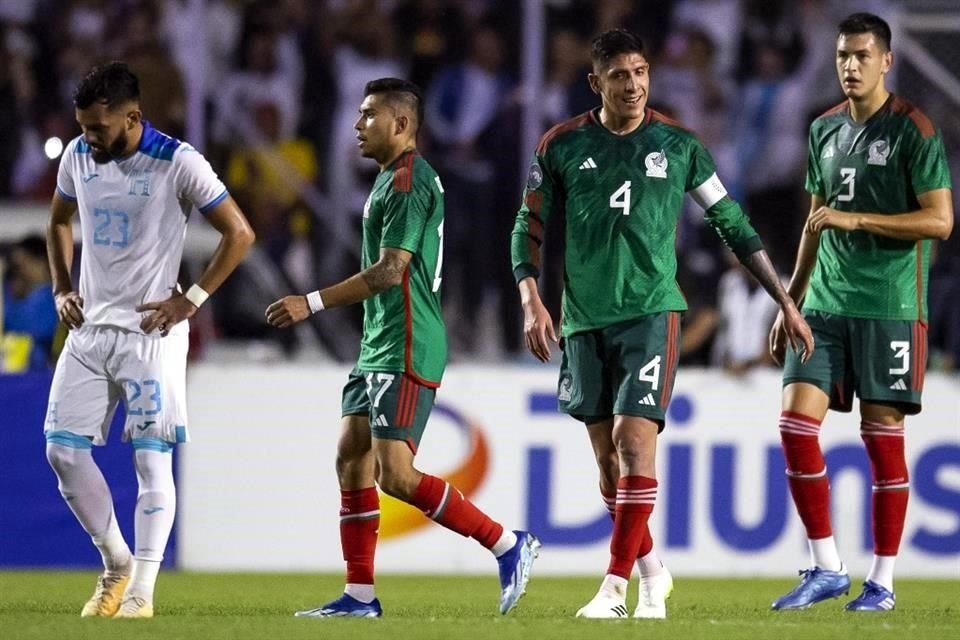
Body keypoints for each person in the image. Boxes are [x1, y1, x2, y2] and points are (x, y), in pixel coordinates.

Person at [510, 29, 814, 620]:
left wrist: (786, 300)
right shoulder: (561, 145)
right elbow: (528, 225)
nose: (634, 85)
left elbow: (731, 222)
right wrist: (530, 297)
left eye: (642, 72)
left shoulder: (678, 144)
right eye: (620, 75)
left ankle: (613, 591)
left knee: (632, 442)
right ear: (595, 82)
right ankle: (653, 573)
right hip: (583, 319)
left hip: (651, 312)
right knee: (606, 466)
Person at [265, 77, 540, 618]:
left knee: (395, 475)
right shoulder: (390, 179)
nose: (357, 125)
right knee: (350, 457)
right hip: (378, 342)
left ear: (402, 124)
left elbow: (392, 271)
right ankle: (360, 597)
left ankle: (508, 544)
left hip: (406, 341)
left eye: (368, 115)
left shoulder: (411, 182)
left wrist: (312, 302)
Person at [44, 62, 255, 619]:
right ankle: (116, 564)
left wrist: (192, 301)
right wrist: (62, 287)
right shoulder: (76, 156)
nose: (89, 139)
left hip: (151, 333)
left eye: (99, 128)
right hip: (90, 329)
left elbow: (240, 232)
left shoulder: (178, 161)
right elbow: (58, 222)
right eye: (83, 127)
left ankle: (142, 593)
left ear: (133, 116)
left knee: (150, 463)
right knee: (62, 452)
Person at [768, 12, 953, 612]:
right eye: (844, 55)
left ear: (887, 61)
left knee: (882, 446)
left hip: (890, 306)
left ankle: (884, 582)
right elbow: (815, 222)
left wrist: (860, 219)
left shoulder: (914, 130)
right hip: (824, 302)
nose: (851, 65)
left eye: (863, 56)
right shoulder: (822, 128)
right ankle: (826, 565)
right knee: (795, 429)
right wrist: (789, 300)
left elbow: (941, 221)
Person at [2, 234, 59, 372]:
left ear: (40, 263)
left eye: (20, 266)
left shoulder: (51, 298)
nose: (17, 273)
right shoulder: (18, 301)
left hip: (39, 378)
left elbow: (35, 329)